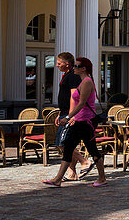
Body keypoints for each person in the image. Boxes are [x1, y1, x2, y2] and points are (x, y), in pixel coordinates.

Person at [42, 58, 108, 188]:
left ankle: (102, 178)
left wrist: (68, 116)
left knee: (93, 150)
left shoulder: (87, 82)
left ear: (84, 68)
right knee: (68, 148)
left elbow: (82, 103)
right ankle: (58, 179)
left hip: (85, 122)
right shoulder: (82, 82)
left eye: (77, 66)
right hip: (78, 121)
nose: (74, 68)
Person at [53, 52, 90, 181]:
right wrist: (60, 112)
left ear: (66, 64)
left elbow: (74, 97)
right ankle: (72, 173)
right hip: (64, 113)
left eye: (59, 63)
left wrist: (70, 116)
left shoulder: (72, 77)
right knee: (68, 143)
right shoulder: (66, 76)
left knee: (62, 143)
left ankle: (84, 161)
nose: (57, 65)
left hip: (69, 115)